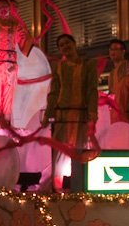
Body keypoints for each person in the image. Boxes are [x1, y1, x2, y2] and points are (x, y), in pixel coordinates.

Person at [42, 34, 98, 189]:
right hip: (62, 117)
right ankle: (58, 188)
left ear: (74, 44)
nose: (65, 46)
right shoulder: (58, 67)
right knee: (60, 153)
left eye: (67, 43)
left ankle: (77, 187)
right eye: (61, 45)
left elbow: (92, 90)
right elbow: (54, 92)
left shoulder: (88, 65)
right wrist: (48, 114)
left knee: (79, 151)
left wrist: (93, 113)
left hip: (81, 116)